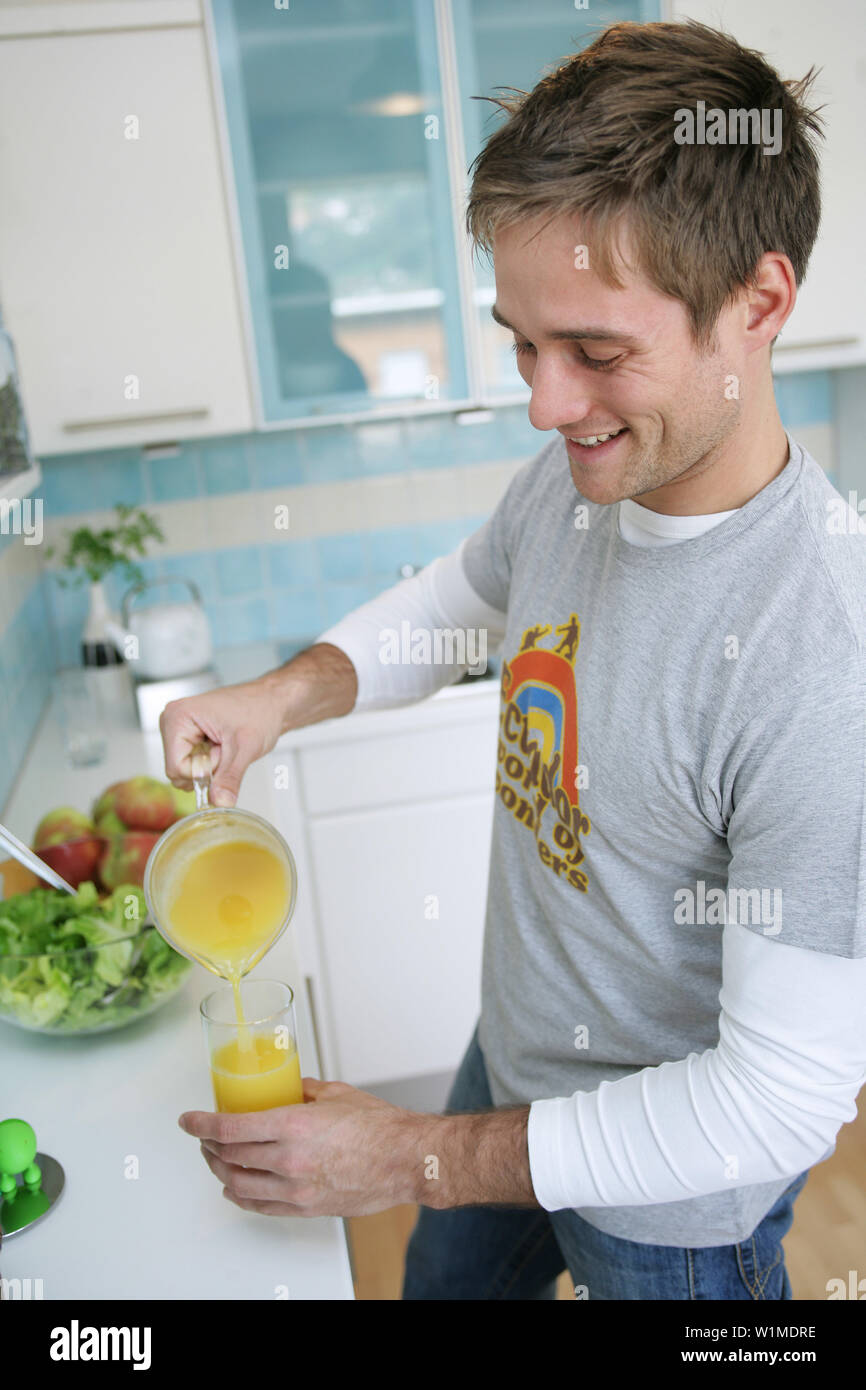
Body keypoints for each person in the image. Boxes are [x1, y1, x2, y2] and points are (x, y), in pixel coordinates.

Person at [166, 19, 866, 1300]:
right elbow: (462, 597)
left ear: (757, 303)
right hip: (517, 1058)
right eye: (521, 344)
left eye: (596, 352)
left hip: (670, 1209)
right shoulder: (580, 478)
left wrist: (412, 1159)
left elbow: (776, 1102)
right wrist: (282, 695)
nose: (544, 404)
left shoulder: (821, 658)